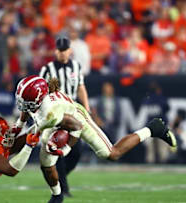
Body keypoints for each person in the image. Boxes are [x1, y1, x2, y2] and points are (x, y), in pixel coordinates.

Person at [14, 75, 177, 203]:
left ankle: (153, 128)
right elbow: (28, 109)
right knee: (46, 165)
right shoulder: (38, 101)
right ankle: (57, 196)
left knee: (112, 154)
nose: (22, 104)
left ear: (39, 99)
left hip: (76, 117)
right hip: (55, 121)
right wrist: (18, 125)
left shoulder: (50, 113)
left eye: (25, 101)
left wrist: (66, 149)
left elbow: (76, 127)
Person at [39, 36, 90, 198]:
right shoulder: (47, 68)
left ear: (70, 50)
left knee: (76, 152)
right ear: (56, 51)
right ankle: (63, 188)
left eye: (64, 50)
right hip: (56, 112)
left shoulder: (76, 66)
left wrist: (86, 108)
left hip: (73, 110)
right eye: (59, 50)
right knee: (58, 147)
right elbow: (41, 89)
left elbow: (81, 87)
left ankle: (59, 178)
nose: (62, 53)